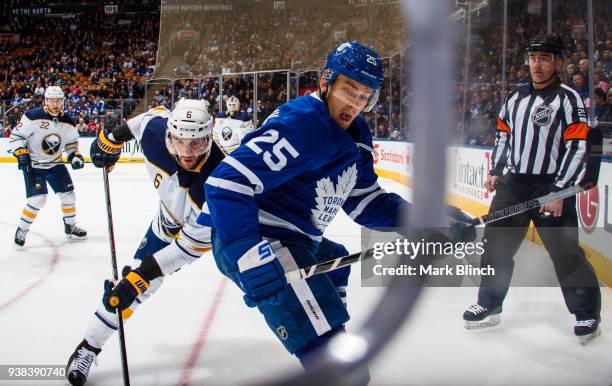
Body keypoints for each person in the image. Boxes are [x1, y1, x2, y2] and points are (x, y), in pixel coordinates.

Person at [198, 41, 472, 383]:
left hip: (295, 240)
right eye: (349, 90)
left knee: (334, 263)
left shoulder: (356, 136)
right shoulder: (304, 123)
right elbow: (226, 184)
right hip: (261, 239)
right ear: (326, 82)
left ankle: (323, 325)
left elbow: (365, 204)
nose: (354, 103)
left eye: (364, 96)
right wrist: (249, 255)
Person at [64, 99, 223, 386]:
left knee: (135, 285)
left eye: (198, 143)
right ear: (168, 135)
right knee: (129, 293)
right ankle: (88, 347)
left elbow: (187, 249)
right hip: (165, 223)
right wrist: (110, 140)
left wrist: (141, 277)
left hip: (202, 236)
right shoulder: (154, 132)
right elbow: (144, 120)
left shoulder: (219, 183)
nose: (187, 153)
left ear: (210, 134)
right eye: (180, 142)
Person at [462, 35, 601, 345]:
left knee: (565, 253)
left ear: (558, 62)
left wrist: (559, 192)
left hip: (550, 183)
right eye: (533, 58)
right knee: (496, 247)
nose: (537, 64)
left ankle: (586, 313)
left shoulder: (569, 100)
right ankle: (490, 302)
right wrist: (496, 171)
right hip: (514, 183)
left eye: (545, 58)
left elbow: (577, 147)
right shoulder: (515, 98)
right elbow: (502, 135)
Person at [9, 86, 87, 248]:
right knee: (38, 199)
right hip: (34, 165)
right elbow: (16, 137)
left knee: (68, 195)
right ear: (46, 100)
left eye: (58, 100)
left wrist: (74, 156)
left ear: (63, 101)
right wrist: (21, 152)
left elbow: (71, 144)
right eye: (52, 100)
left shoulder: (68, 122)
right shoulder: (32, 116)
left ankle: (70, 226)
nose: (55, 103)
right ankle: (22, 229)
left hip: (55, 165)